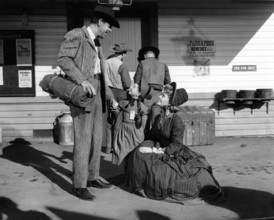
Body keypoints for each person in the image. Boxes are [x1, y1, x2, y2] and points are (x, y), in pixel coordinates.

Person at [57, 5, 120, 201]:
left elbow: (100, 74)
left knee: (96, 137)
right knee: (84, 139)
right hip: (83, 91)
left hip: (98, 91)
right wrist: (81, 80)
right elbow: (63, 59)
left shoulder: (97, 43)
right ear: (100, 22)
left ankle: (92, 177)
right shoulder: (76, 34)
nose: (110, 30)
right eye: (109, 25)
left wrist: (111, 97)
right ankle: (79, 184)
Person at [127, 82, 225, 204]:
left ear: (170, 102)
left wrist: (157, 151)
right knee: (139, 153)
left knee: (166, 173)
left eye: (163, 95)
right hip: (159, 145)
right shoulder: (160, 115)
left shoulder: (177, 121)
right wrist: (146, 145)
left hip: (172, 151)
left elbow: (176, 145)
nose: (160, 97)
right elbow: (154, 134)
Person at [103, 43, 133, 154]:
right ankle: (116, 147)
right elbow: (127, 83)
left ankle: (107, 147)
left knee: (109, 120)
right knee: (118, 122)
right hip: (120, 93)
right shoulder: (122, 65)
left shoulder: (105, 63)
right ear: (124, 54)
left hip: (108, 92)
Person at [112, 86, 148, 168]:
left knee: (134, 157)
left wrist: (140, 132)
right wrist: (115, 109)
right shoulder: (123, 103)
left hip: (136, 134)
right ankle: (126, 174)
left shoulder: (143, 107)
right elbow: (118, 117)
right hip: (124, 133)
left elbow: (143, 124)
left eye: (134, 86)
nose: (131, 87)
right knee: (124, 156)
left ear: (138, 93)